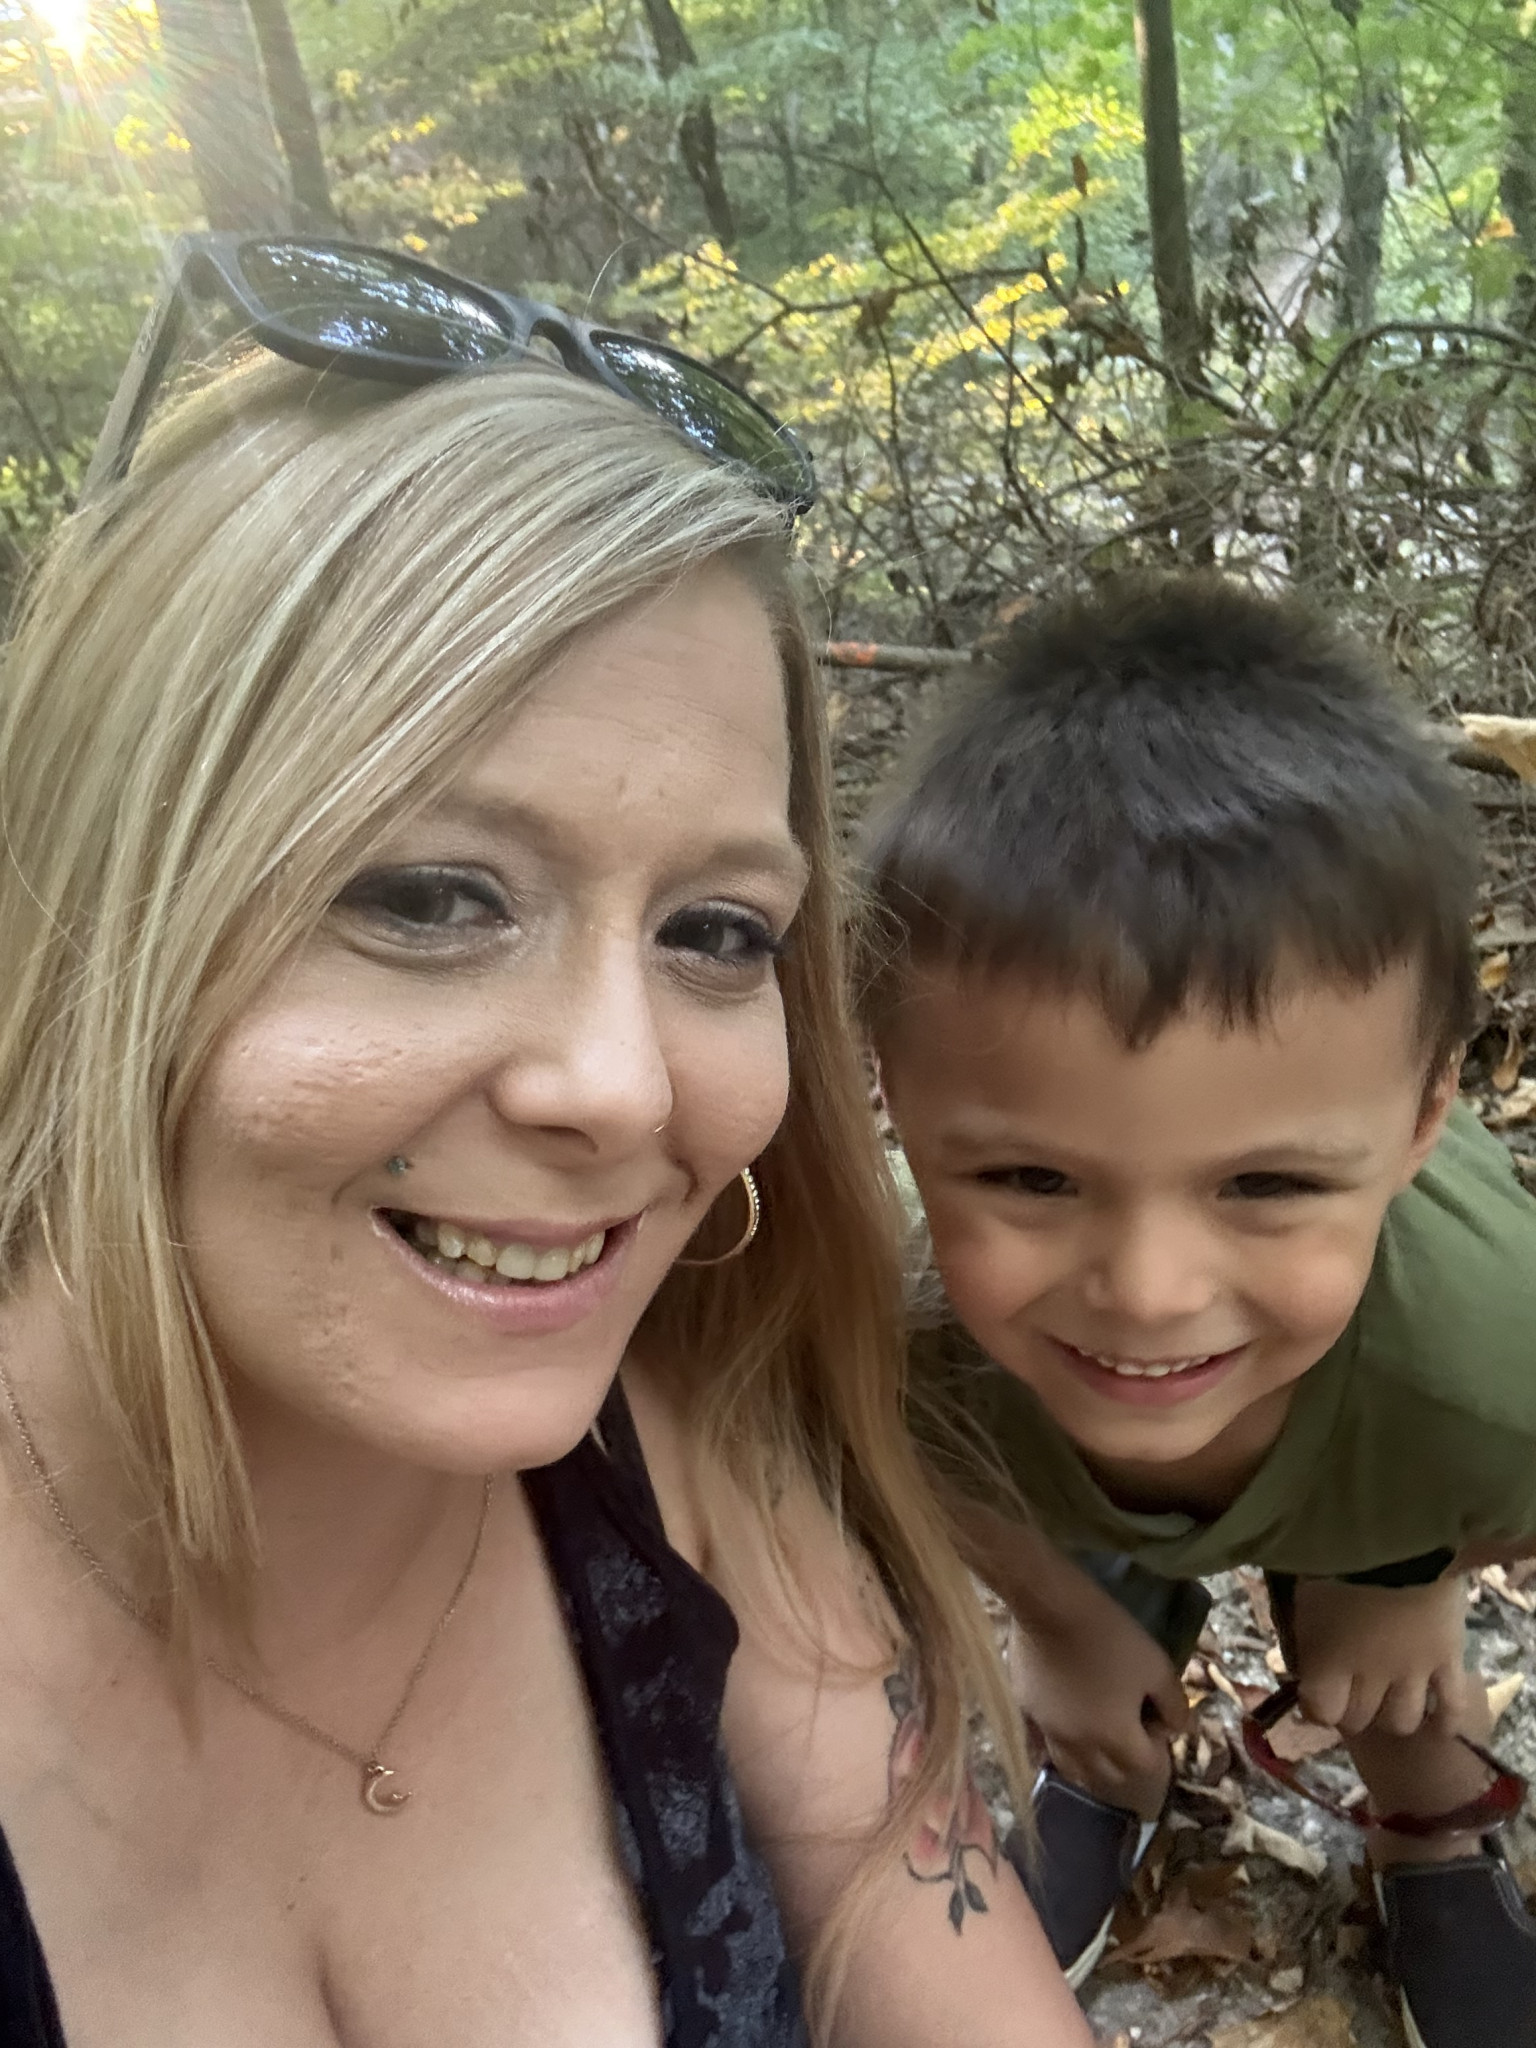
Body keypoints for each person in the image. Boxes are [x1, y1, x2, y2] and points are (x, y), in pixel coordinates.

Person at [0, 236, 1093, 2047]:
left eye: (716, 933)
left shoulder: (680, 1469)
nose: (626, 1088)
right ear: (94, 904)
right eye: (433, 897)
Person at [860, 576, 1536, 2048]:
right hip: (1038, 1445)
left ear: (1426, 1118)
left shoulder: (1496, 1371)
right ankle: (1111, 1738)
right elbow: (925, 1473)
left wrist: (1411, 1577)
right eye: (1032, 1177)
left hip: (1385, 1420)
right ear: (896, 1101)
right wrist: (1057, 1627)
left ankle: (1423, 1810)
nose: (1148, 1291)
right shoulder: (890, 1337)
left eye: (1267, 1183)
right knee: (1085, 1604)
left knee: (1389, 1666)